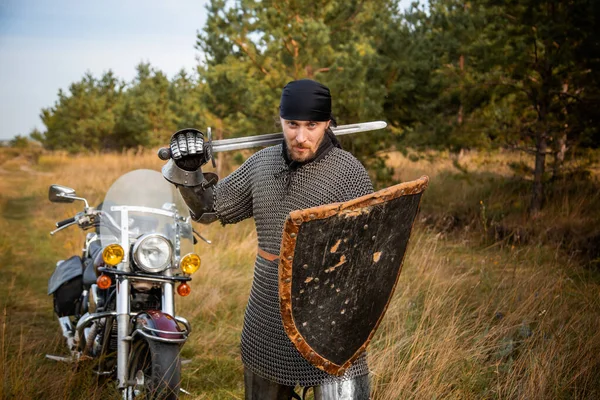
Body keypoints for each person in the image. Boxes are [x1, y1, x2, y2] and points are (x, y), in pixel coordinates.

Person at [162, 79, 373, 399]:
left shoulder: (348, 173)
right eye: (292, 125)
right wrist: (188, 172)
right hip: (268, 319)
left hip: (332, 320)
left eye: (312, 125)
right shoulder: (262, 165)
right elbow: (209, 209)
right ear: (281, 121)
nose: (301, 137)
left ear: (328, 124)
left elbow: (369, 254)